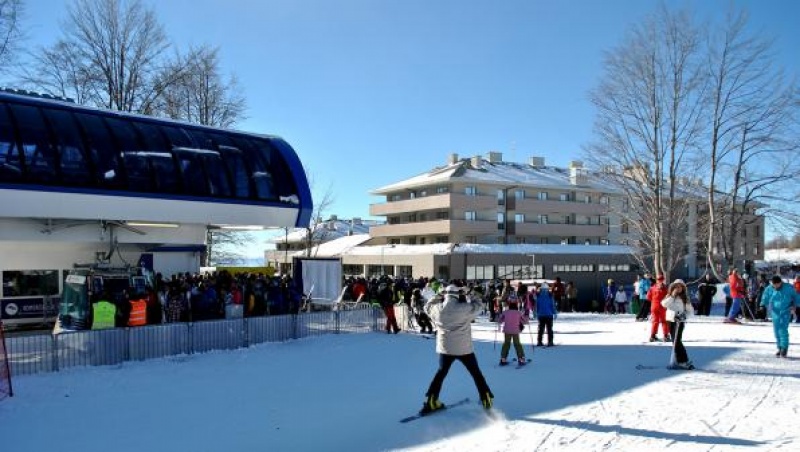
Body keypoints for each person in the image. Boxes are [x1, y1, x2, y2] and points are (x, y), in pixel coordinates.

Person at [420, 280, 494, 414]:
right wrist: (470, 293)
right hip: (464, 349)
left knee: (441, 373)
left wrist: (438, 294)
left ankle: (432, 399)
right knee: (476, 374)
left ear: (446, 295)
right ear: (457, 294)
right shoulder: (464, 308)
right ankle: (486, 397)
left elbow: (427, 306)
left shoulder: (438, 309)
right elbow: (479, 305)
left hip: (445, 348)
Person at [759, 275, 798, 358]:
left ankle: (784, 348)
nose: (776, 286)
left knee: (782, 329)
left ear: (781, 282)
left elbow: (796, 296)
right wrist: (762, 305)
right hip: (775, 312)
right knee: (776, 331)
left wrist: (795, 305)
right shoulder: (770, 288)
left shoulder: (788, 288)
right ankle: (779, 347)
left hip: (786, 311)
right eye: (774, 285)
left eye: (777, 284)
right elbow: (765, 296)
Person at [661, 279, 695, 369]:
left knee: (677, 341)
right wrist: (672, 296)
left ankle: (683, 360)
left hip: (679, 322)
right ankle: (678, 359)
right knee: (674, 341)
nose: (678, 288)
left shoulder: (685, 298)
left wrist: (684, 316)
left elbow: (690, 311)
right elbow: (664, 304)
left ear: (683, 288)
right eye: (676, 286)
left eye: (680, 287)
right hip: (670, 320)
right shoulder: (670, 296)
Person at [497, 300, 529, 365]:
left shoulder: (505, 312)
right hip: (515, 331)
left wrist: (498, 315)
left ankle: (503, 358)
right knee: (517, 344)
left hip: (507, 331)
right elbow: (525, 321)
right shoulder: (518, 313)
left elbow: (500, 320)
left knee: (506, 344)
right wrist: (526, 315)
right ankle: (521, 359)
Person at [647, 275, 670, 342]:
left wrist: (654, 300)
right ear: (663, 279)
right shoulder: (665, 288)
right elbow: (668, 297)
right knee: (664, 321)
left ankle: (652, 336)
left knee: (655, 321)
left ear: (657, 279)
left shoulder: (652, 287)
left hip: (654, 306)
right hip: (663, 306)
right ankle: (666, 336)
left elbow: (648, 297)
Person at [536, 282, 557, 347]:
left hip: (541, 315)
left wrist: (536, 313)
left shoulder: (538, 296)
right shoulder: (550, 296)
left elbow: (537, 306)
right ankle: (550, 342)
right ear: (548, 289)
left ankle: (539, 341)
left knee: (541, 329)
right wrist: (555, 313)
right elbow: (552, 306)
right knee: (549, 329)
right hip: (549, 315)